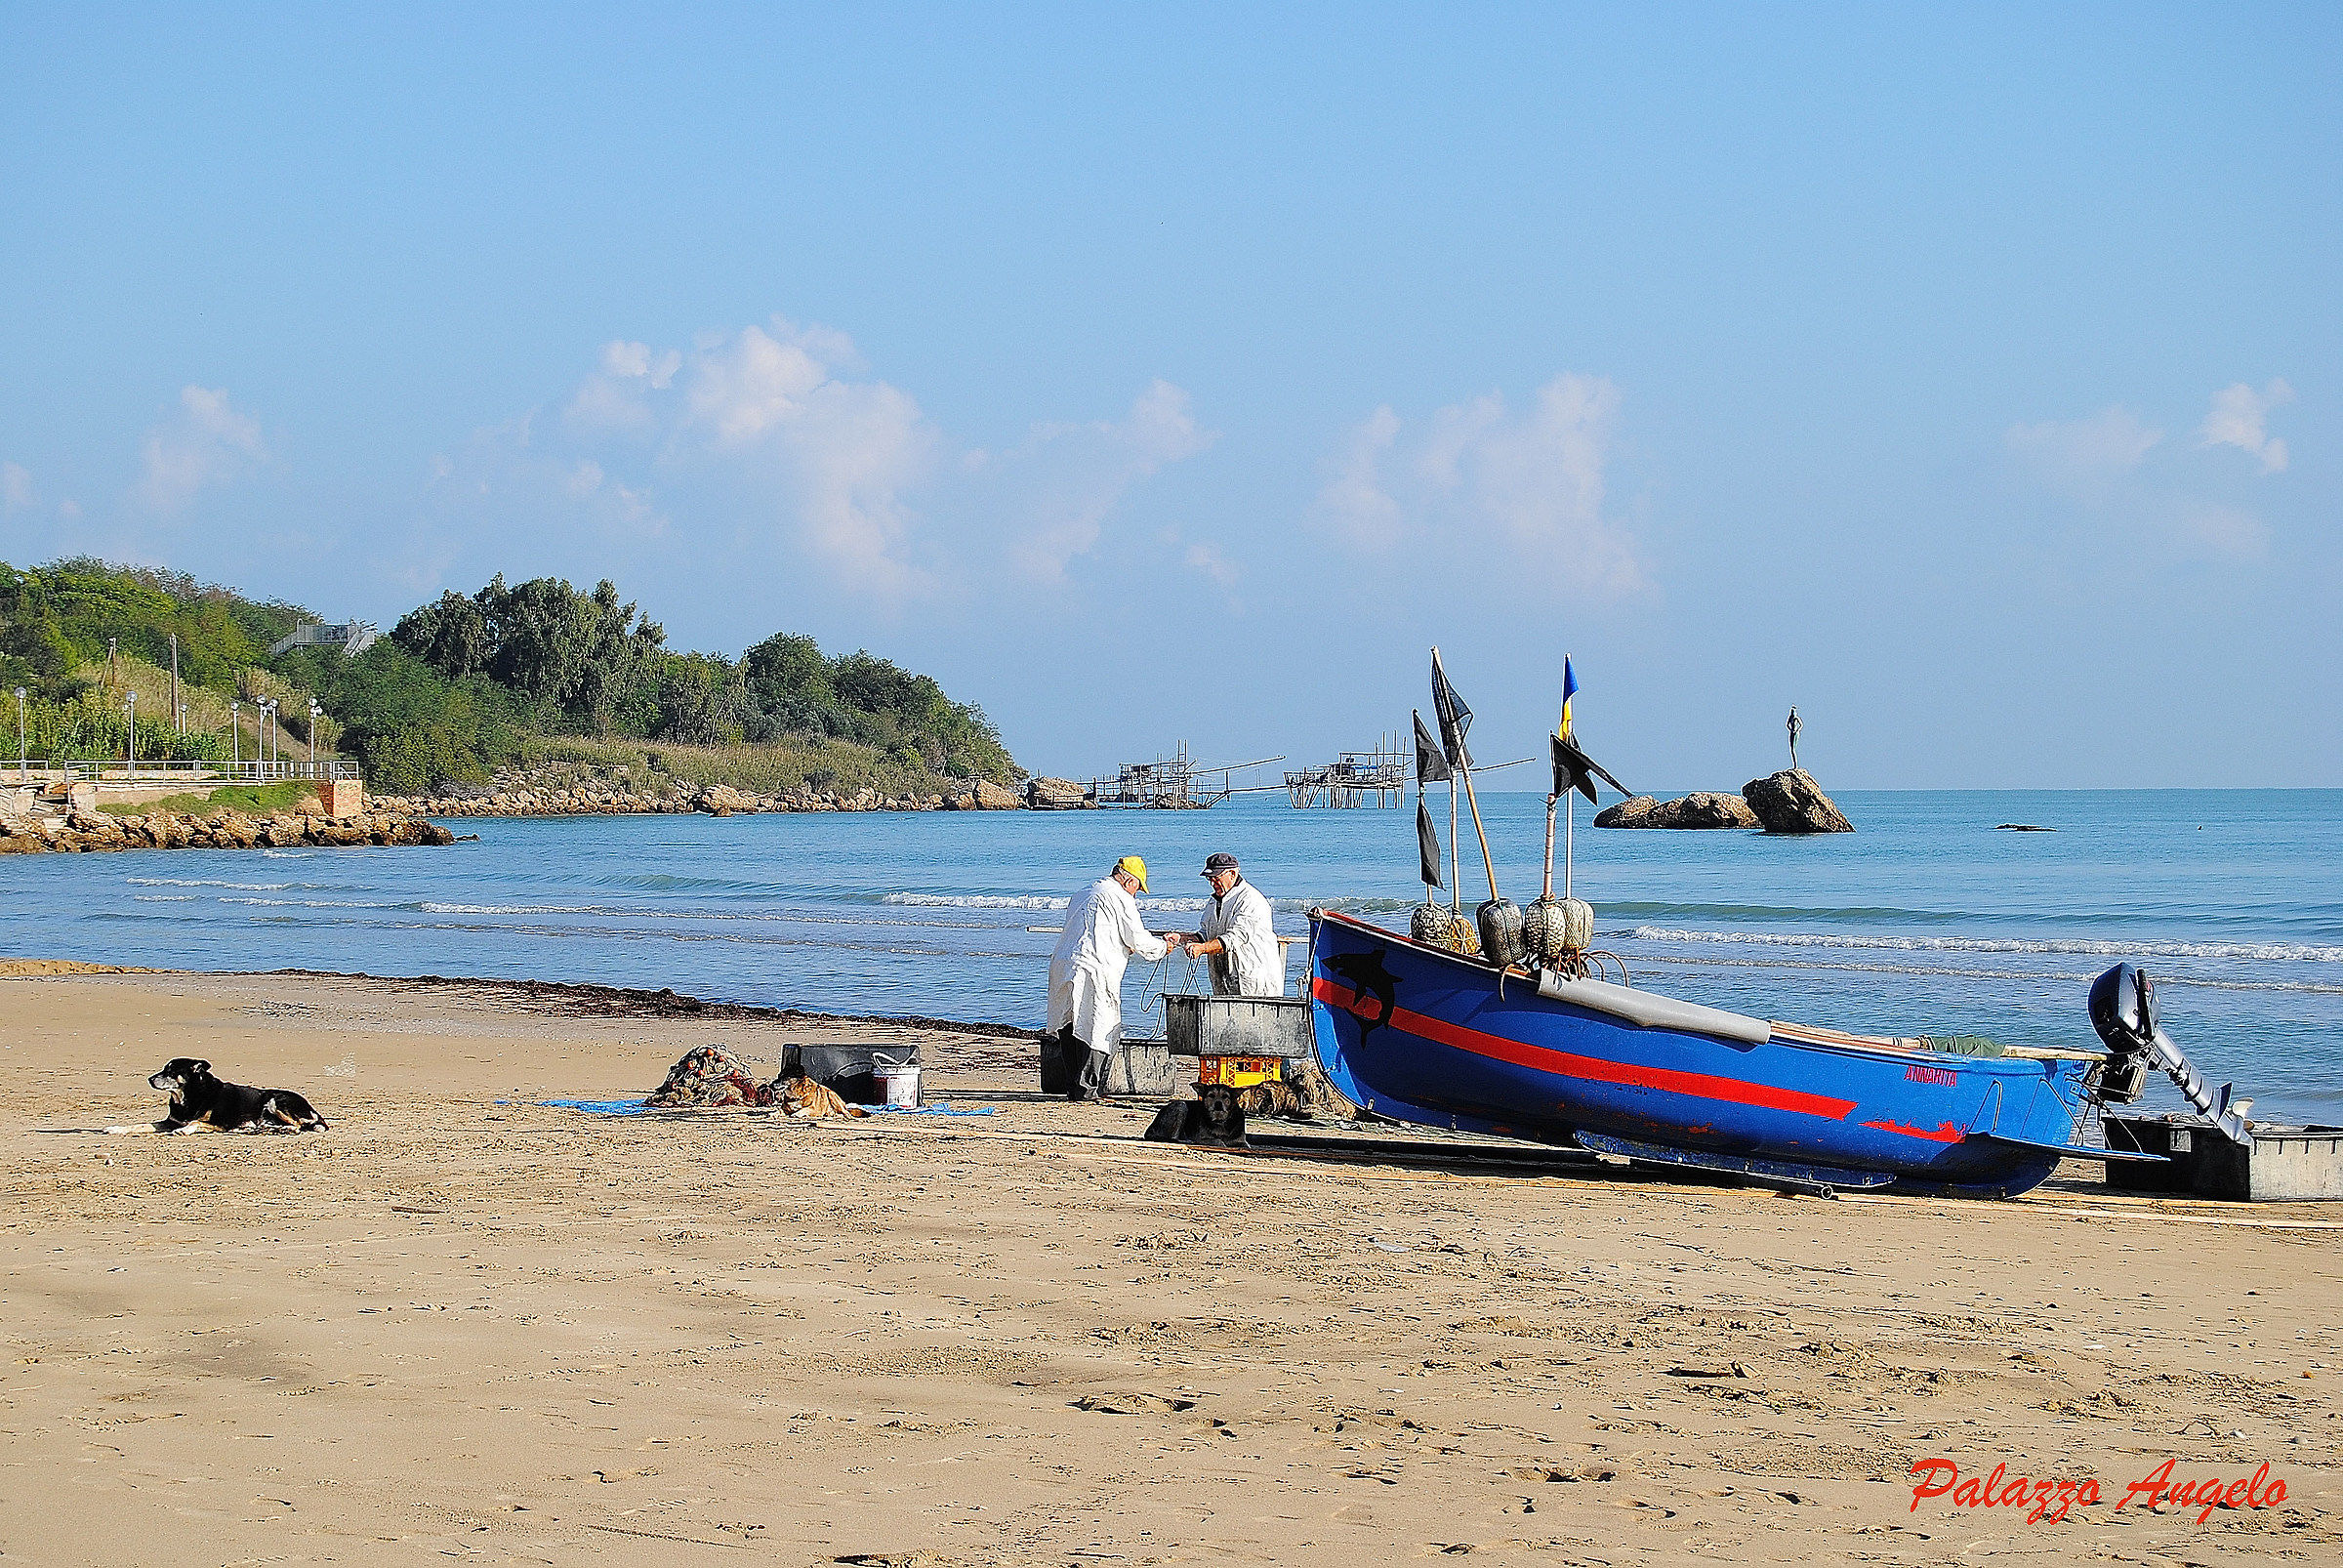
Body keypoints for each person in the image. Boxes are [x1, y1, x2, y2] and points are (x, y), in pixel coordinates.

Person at [1047, 856, 1178, 1102]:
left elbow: (1099, 931)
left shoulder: (1083, 893)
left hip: (1064, 962)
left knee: (1070, 1023)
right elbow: (1137, 938)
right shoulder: (1119, 898)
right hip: (1093, 967)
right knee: (1097, 1024)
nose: (1136, 895)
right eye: (1137, 889)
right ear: (1129, 881)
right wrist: (1163, 947)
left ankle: (1074, 1086)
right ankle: (1086, 1089)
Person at [1178, 852, 1285, 997]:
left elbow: (1235, 937)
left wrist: (1202, 949)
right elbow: (1206, 933)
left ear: (1232, 874)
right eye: (1209, 879)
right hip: (1224, 980)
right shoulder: (1215, 900)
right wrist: (1182, 939)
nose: (1212, 883)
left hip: (1254, 982)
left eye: (1216, 878)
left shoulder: (1251, 900)